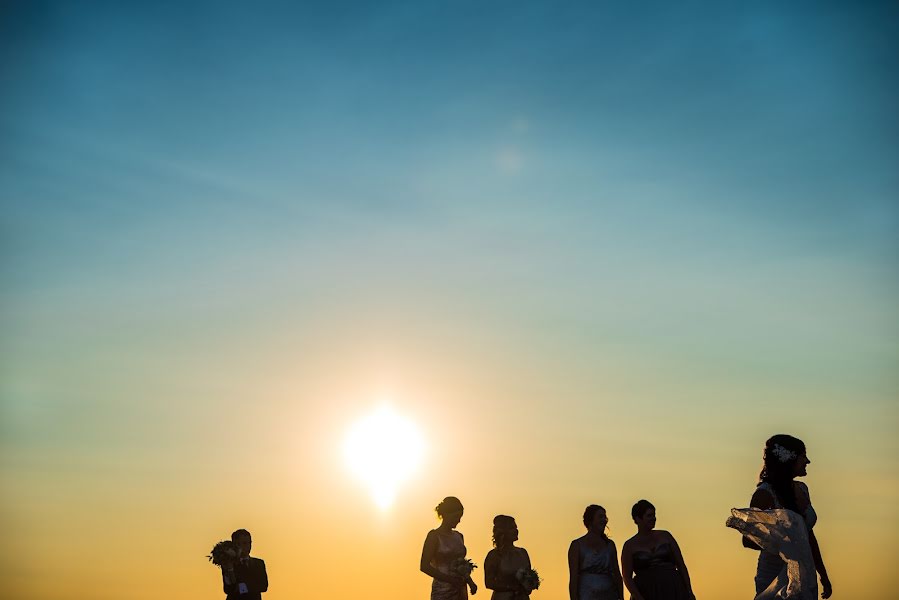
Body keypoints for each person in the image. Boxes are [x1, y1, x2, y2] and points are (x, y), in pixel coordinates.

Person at [729, 434, 832, 599]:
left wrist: (823, 574)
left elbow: (808, 536)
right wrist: (784, 543)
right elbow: (748, 540)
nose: (808, 461)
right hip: (774, 573)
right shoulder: (764, 493)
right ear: (789, 459)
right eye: (803, 456)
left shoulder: (802, 490)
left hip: (805, 569)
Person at [621, 500, 695, 600]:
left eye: (654, 515)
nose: (653, 518)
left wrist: (689, 591)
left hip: (673, 587)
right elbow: (627, 577)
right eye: (649, 516)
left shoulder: (666, 536)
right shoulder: (629, 546)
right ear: (638, 519)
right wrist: (638, 597)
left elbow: (681, 565)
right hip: (647, 591)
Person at [421, 496, 478, 599]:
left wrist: (470, 582)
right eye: (456, 516)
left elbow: (461, 564)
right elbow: (424, 566)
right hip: (443, 590)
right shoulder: (434, 536)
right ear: (446, 515)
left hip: (460, 588)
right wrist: (450, 580)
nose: (459, 520)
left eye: (460, 517)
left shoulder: (459, 536)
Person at [567, 504, 623, 600]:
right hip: (586, 594)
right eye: (600, 517)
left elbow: (617, 573)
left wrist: (621, 597)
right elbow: (573, 578)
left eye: (605, 517)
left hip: (609, 594)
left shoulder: (610, 545)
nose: (604, 520)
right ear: (590, 520)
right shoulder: (577, 545)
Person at [484, 515, 533, 599]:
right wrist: (511, 587)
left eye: (516, 528)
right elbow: (489, 582)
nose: (516, 531)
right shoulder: (494, 555)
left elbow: (529, 575)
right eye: (512, 528)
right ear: (503, 532)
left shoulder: (522, 553)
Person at [222, 529, 268, 600]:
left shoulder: (259, 563)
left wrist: (240, 587)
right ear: (235, 545)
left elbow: (263, 586)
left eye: (249, 543)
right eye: (244, 543)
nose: (248, 546)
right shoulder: (230, 564)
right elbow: (228, 589)